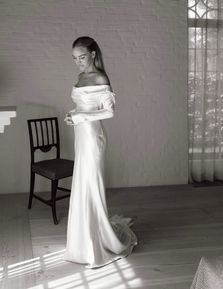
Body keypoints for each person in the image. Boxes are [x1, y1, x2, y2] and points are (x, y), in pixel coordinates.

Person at [64, 36, 137, 269]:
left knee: (91, 185)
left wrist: (80, 117)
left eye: (82, 57)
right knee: (82, 184)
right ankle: (82, 239)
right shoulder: (80, 78)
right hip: (81, 136)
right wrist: (73, 114)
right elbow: (83, 106)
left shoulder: (100, 77)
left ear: (93, 54)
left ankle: (97, 240)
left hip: (93, 138)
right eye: (75, 58)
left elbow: (109, 112)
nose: (78, 62)